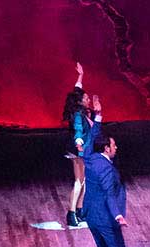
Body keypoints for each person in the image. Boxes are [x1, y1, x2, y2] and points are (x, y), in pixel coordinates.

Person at [82, 136, 132, 247]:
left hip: (91, 215)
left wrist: (97, 118)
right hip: (105, 218)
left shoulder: (90, 158)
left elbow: (89, 142)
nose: (116, 147)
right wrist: (118, 215)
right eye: (113, 145)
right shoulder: (106, 169)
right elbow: (109, 194)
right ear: (105, 148)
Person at [65, 63, 103, 228]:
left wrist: (81, 75)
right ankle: (71, 213)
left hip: (85, 150)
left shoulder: (84, 111)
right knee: (79, 181)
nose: (88, 100)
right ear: (80, 102)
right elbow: (78, 131)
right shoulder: (78, 115)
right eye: (86, 98)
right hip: (78, 150)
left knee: (84, 181)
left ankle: (80, 211)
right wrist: (79, 144)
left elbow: (77, 91)